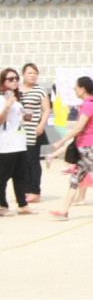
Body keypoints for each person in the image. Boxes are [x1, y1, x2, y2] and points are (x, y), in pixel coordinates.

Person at [47, 76, 93, 220]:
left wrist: (61, 141)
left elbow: (79, 127)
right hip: (87, 146)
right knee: (75, 179)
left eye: (76, 87)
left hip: (88, 147)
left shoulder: (88, 105)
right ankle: (64, 211)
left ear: (83, 89)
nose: (75, 90)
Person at [0, 67, 33, 215]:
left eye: (16, 78)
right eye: (10, 79)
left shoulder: (17, 100)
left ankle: (22, 204)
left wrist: (26, 116)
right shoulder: (2, 99)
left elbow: (18, 120)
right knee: (3, 176)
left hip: (19, 142)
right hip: (6, 144)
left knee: (20, 176)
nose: (14, 81)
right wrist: (7, 106)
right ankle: (2, 205)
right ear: (3, 81)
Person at [20, 62, 49, 203]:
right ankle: (26, 189)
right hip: (20, 132)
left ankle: (35, 191)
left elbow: (46, 110)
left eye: (35, 73)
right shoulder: (17, 90)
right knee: (23, 162)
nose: (32, 76)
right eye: (30, 73)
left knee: (33, 161)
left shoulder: (40, 91)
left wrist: (41, 125)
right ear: (23, 74)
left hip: (34, 131)